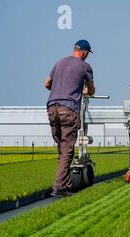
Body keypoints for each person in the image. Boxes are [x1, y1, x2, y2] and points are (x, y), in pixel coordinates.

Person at [44, 40, 95, 197]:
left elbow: (47, 83)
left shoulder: (59, 62)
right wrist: (84, 91)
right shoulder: (85, 67)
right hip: (68, 109)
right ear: (85, 52)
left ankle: (63, 183)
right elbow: (91, 90)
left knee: (61, 148)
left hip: (52, 107)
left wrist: (60, 90)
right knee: (67, 149)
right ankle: (60, 187)